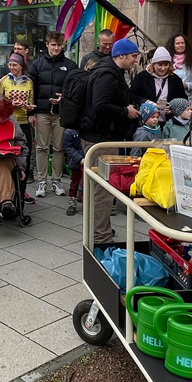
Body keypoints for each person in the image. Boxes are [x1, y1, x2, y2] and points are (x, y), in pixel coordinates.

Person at [80, 39, 141, 245]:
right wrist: (126, 111)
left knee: (99, 189)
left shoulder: (109, 71)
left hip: (102, 137)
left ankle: (99, 230)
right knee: (103, 191)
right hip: (101, 140)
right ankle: (101, 237)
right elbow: (100, 105)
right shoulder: (107, 74)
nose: (135, 60)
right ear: (121, 55)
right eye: (133, 56)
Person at [30, 31, 77, 198]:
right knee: (41, 147)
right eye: (53, 45)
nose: (56, 48)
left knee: (59, 148)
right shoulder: (37, 64)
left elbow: (75, 89)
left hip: (61, 113)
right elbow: (31, 90)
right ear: (47, 45)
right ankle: (42, 181)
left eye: (59, 45)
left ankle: (56, 180)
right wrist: (31, 112)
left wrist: (64, 98)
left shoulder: (70, 65)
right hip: (41, 111)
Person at [0, 53, 37, 201]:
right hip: (7, 123)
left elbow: (31, 103)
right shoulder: (4, 81)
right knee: (9, 157)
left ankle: (22, 190)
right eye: (10, 65)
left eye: (15, 65)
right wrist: (10, 105)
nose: (12, 68)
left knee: (24, 156)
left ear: (21, 66)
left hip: (24, 123)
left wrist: (28, 107)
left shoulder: (28, 82)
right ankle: (8, 191)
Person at [132, 46, 185, 111]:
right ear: (153, 64)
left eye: (166, 65)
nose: (163, 68)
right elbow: (132, 96)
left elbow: (183, 99)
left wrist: (173, 108)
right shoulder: (141, 77)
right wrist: (146, 102)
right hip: (148, 118)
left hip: (169, 119)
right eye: (160, 65)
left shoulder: (175, 79)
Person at [63, 127, 84, 216]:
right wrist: (79, 158)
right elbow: (67, 147)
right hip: (77, 162)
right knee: (74, 183)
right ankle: (72, 203)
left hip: (88, 159)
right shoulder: (70, 131)